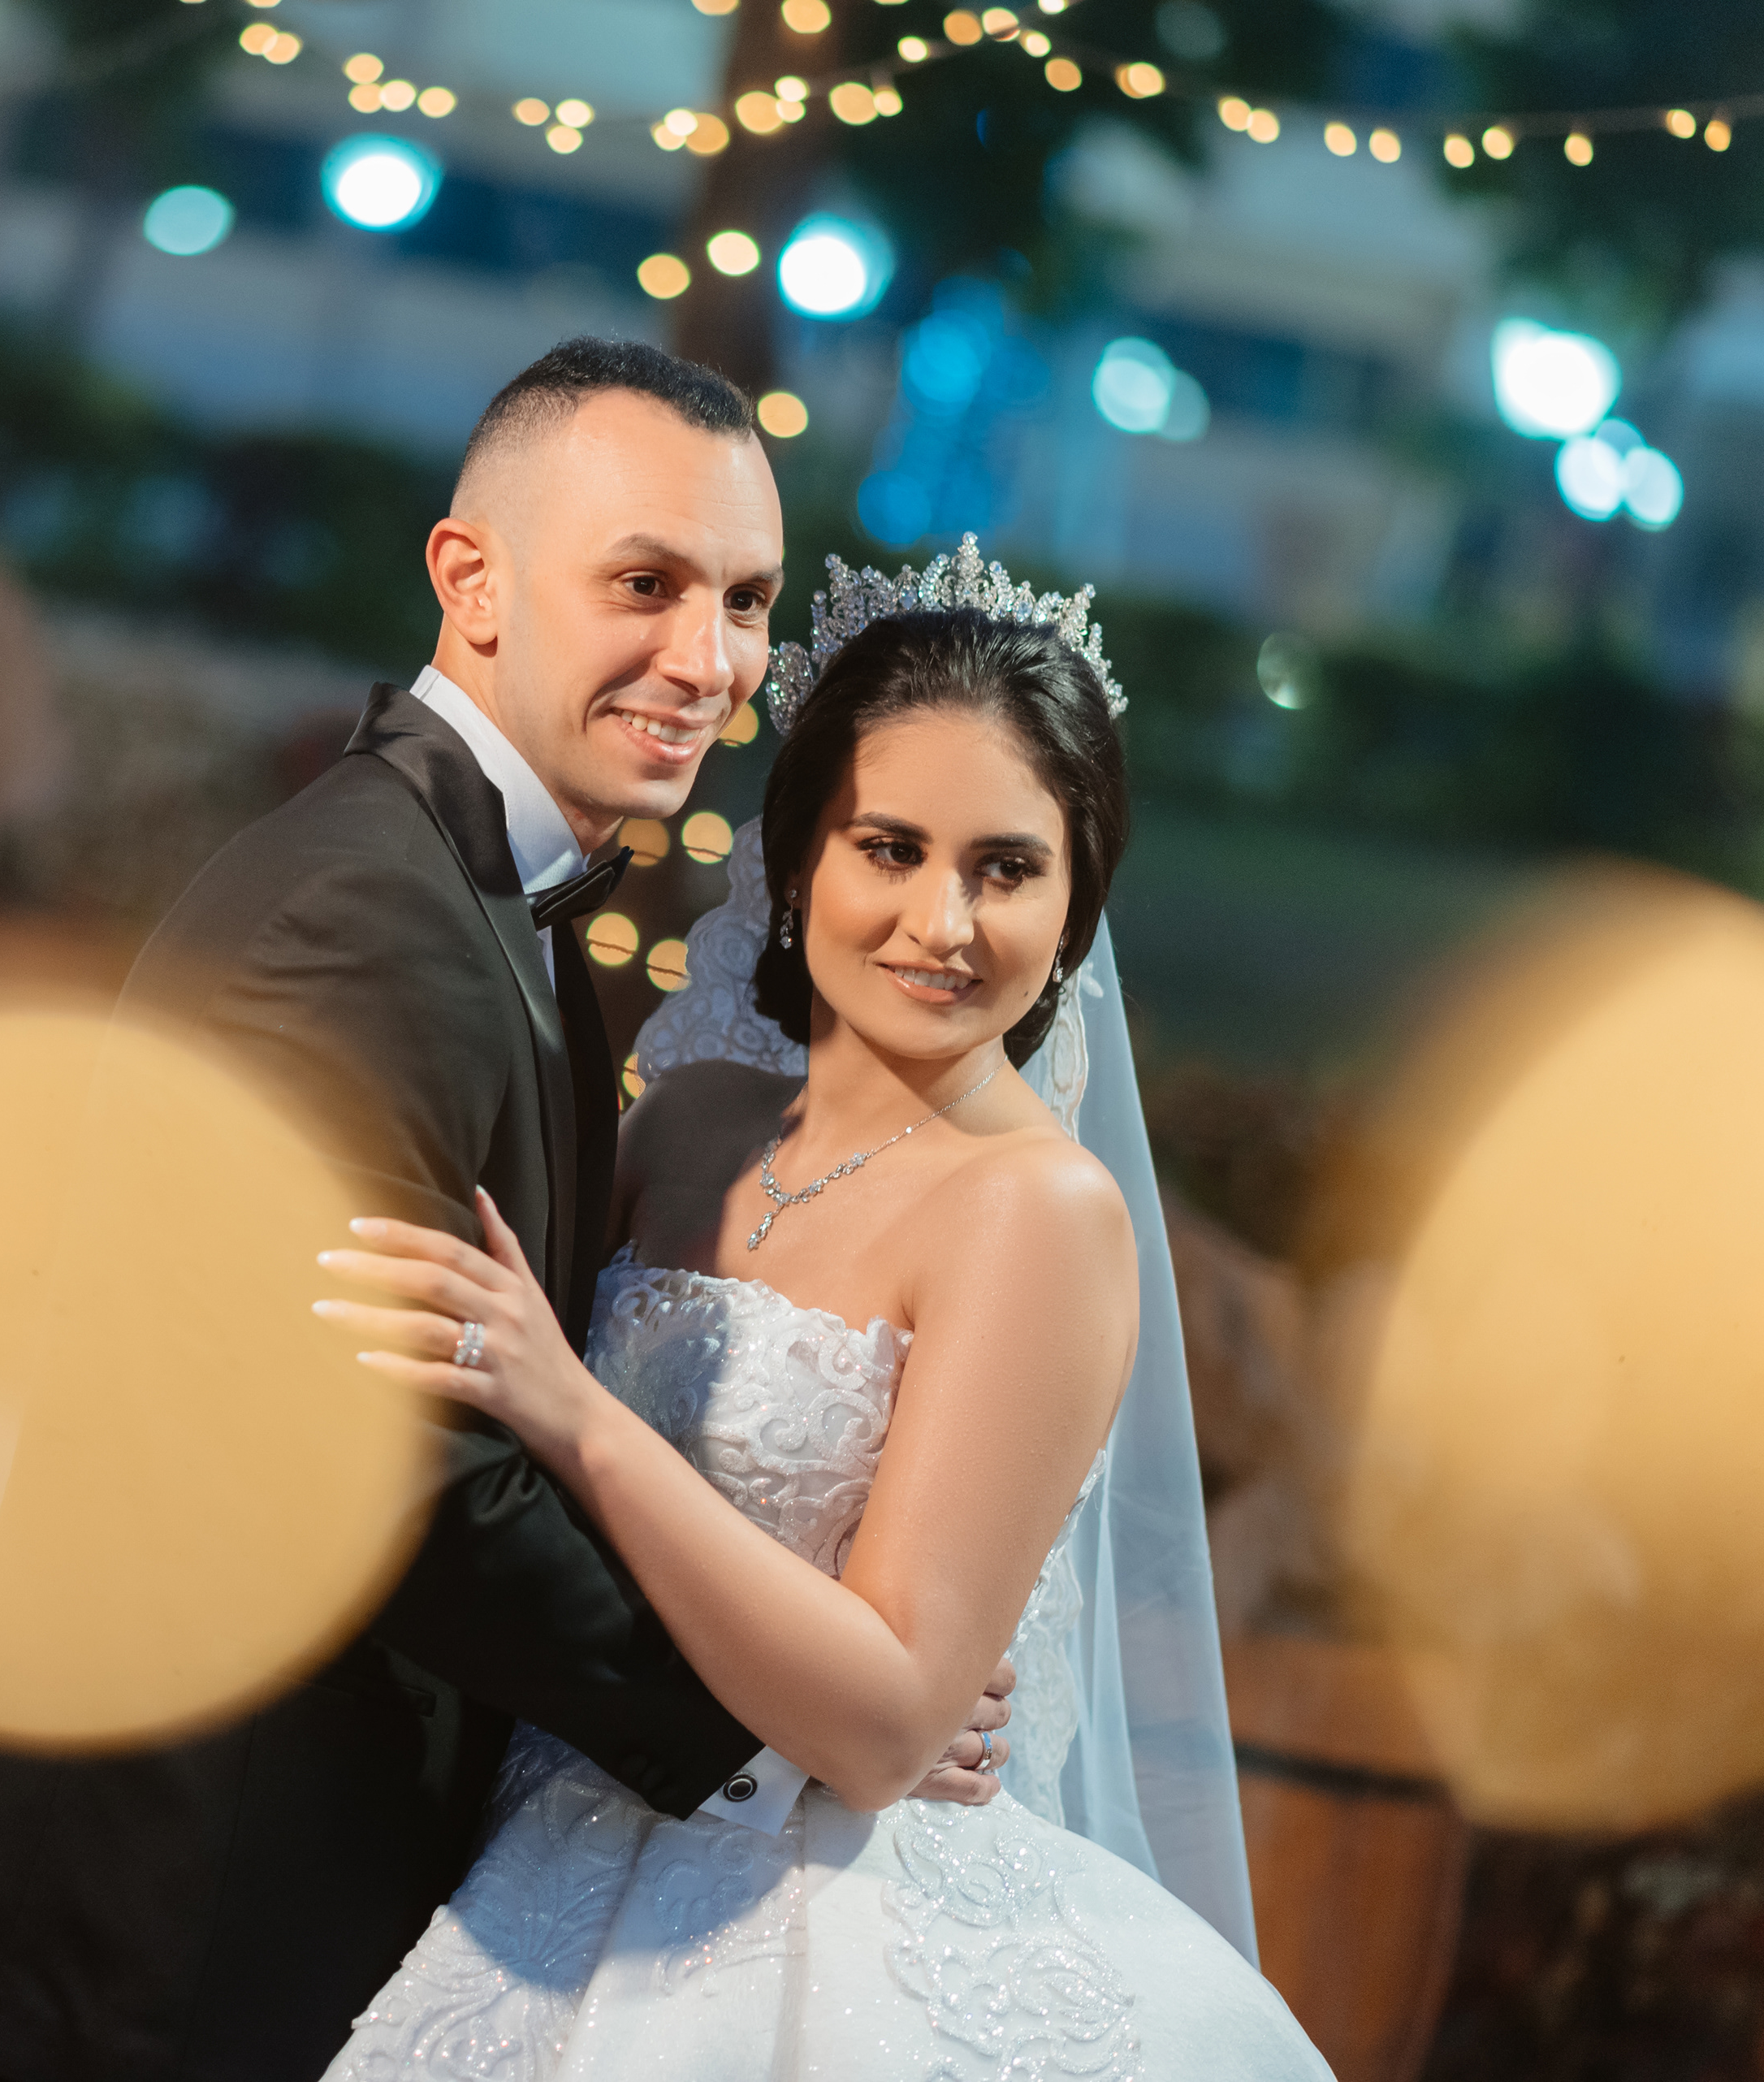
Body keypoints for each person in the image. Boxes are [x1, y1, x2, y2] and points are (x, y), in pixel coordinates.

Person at [0, 340, 1014, 2082]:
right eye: (647, 585)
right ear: (473, 579)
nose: (711, 659)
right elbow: (404, 1477)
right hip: (176, 1910)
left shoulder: (453, 890)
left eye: (745, 601)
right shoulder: (367, 922)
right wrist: (802, 1724)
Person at [312, 552, 1330, 2076]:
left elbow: (885, 1724)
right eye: (891, 847)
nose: (945, 921)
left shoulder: (1039, 1215)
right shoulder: (687, 1124)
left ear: (1076, 896)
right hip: (546, 1831)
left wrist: (575, 1409)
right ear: (797, 864)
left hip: (819, 1918)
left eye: (1007, 867)